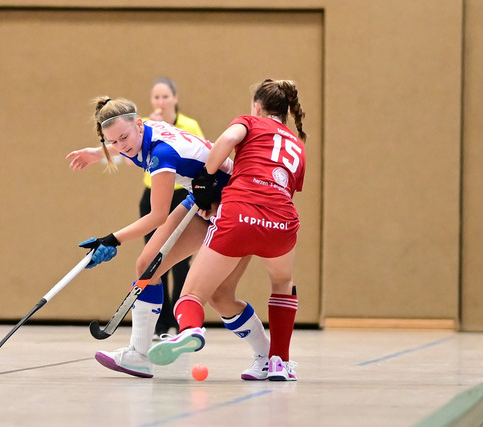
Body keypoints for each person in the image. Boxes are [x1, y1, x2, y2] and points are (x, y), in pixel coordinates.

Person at [65, 96, 272, 380]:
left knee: (221, 297)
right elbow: (121, 143)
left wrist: (111, 239)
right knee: (147, 265)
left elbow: (158, 216)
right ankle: (138, 355)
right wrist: (96, 152)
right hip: (203, 197)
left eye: (123, 138)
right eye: (113, 141)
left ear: (139, 125)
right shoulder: (139, 133)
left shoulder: (161, 154)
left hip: (235, 202)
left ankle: (267, 357)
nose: (121, 146)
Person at [147, 79, 307, 381]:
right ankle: (278, 361)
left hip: (239, 217)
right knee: (280, 283)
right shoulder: (297, 145)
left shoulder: (249, 122)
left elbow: (228, 139)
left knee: (192, 295)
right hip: (281, 224)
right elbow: (283, 189)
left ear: (257, 107)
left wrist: (205, 178)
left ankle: (190, 330)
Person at [141, 78, 204, 337]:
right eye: (156, 97)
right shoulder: (146, 125)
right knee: (153, 258)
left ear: (175, 98)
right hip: (153, 196)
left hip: (182, 195)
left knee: (179, 261)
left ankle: (180, 319)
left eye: (165, 97)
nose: (161, 102)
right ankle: (160, 320)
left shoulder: (189, 125)